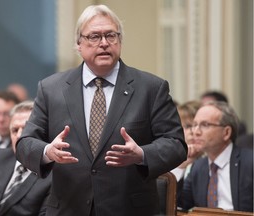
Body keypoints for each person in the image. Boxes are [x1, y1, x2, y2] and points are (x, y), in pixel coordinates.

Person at [16, 4, 187, 216]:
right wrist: (47, 152)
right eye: (94, 36)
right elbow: (24, 144)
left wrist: (142, 154)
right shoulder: (51, 89)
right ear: (79, 44)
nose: (104, 43)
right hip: (69, 208)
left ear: (120, 40)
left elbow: (176, 144)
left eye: (111, 35)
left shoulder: (151, 88)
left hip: (129, 209)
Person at [0, 101, 52, 215]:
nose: (19, 136)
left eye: (26, 129)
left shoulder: (54, 176)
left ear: (43, 133)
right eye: (15, 130)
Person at [178, 101, 253, 212]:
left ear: (226, 132)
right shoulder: (198, 168)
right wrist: (182, 165)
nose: (196, 132)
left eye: (205, 125)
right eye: (194, 125)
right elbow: (179, 205)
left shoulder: (250, 162)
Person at [171, 100, 204, 181]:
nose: (194, 131)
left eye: (201, 126)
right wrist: (183, 165)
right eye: (188, 126)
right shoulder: (170, 158)